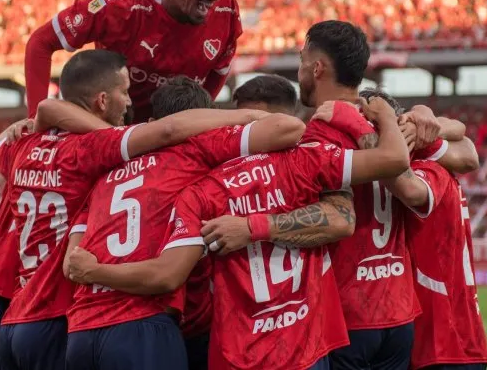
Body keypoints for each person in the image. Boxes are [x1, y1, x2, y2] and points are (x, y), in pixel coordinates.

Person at [66, 96, 411, 370]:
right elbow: (353, 207)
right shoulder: (304, 160)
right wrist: (382, 114)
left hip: (232, 349)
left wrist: (92, 272)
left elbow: (53, 110)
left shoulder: (200, 192)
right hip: (305, 345)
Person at [62, 76, 305, 370]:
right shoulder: (196, 149)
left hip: (79, 333)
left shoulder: (107, 172)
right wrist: (243, 117)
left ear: (151, 121)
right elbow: (288, 128)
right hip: (143, 325)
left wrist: (92, 272)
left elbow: (72, 265)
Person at [295, 20, 478, 370]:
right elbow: (468, 153)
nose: (300, 69)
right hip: (398, 313)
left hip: (347, 313)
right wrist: (429, 118)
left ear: (317, 68)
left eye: (303, 60)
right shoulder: (391, 126)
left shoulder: (319, 134)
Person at [24, 0, 242, 123]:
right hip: (111, 134)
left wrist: (195, 116)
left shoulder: (226, 7)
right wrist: (35, 120)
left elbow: (219, 71)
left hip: (172, 133)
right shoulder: (120, 5)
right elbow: (40, 42)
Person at [369, 91, 487, 369]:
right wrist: (431, 120)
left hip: (445, 341)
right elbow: (466, 145)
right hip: (442, 336)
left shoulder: (428, 168)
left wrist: (377, 145)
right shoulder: (431, 157)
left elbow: (413, 190)